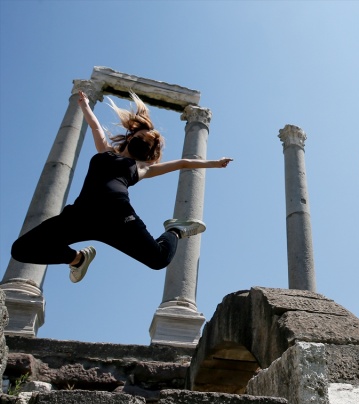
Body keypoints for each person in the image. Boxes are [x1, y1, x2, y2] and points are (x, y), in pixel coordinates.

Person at [11, 90, 233, 283]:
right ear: (131, 136)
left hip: (118, 216)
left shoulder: (142, 168)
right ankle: (78, 259)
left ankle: (174, 230)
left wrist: (214, 163)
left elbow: (182, 163)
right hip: (80, 215)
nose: (146, 140)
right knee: (21, 249)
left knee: (158, 260)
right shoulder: (106, 152)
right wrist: (85, 106)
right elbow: (96, 127)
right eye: (143, 136)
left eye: (149, 142)